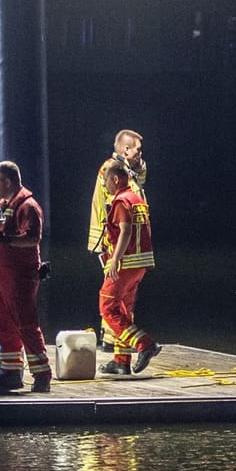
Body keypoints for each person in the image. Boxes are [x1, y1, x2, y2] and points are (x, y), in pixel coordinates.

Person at [0, 160, 52, 393]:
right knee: (3, 323)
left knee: (25, 323)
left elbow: (33, 238)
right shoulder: (3, 205)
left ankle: (42, 374)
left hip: (19, 275)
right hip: (0, 274)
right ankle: (11, 373)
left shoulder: (28, 206)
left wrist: (5, 241)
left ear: (8, 181)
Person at [97, 162, 162, 375]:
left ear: (115, 179)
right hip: (139, 264)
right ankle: (121, 360)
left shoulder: (121, 201)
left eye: (106, 181)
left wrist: (115, 259)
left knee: (107, 306)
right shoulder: (138, 200)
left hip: (125, 264)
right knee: (124, 309)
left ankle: (145, 344)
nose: (105, 186)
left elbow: (124, 231)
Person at [88, 129, 146, 345]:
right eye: (138, 150)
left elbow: (140, 180)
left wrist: (138, 167)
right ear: (126, 149)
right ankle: (115, 338)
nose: (141, 154)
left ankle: (120, 343)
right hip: (112, 240)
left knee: (122, 295)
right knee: (113, 295)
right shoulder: (111, 170)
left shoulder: (127, 169)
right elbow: (124, 198)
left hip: (126, 242)